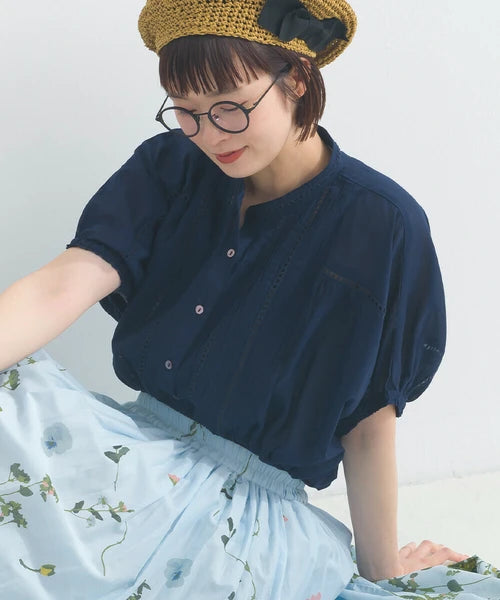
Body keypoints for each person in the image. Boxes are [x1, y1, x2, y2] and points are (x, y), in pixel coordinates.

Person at [0, 0, 499, 598]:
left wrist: (383, 572)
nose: (210, 135)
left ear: (297, 78)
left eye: (230, 107)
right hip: (130, 465)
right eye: (186, 112)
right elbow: (63, 283)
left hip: (244, 526)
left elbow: (369, 424)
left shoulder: (383, 224)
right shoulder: (169, 166)